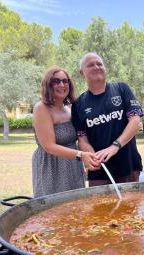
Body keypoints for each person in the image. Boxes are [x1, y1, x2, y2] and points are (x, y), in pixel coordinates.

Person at [72, 52, 144, 187]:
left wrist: (114, 146)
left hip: (128, 168)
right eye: (91, 65)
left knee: (130, 208)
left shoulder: (122, 89)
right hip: (99, 174)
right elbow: (82, 139)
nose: (97, 67)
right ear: (82, 73)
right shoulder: (78, 104)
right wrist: (91, 156)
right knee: (101, 209)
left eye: (99, 64)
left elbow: (135, 122)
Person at [32, 66, 98, 197]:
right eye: (56, 81)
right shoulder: (41, 108)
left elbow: (81, 137)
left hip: (73, 165)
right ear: (48, 85)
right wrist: (80, 154)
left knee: (75, 206)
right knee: (54, 208)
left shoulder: (70, 107)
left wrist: (89, 156)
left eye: (65, 81)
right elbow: (49, 146)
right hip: (51, 166)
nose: (62, 84)